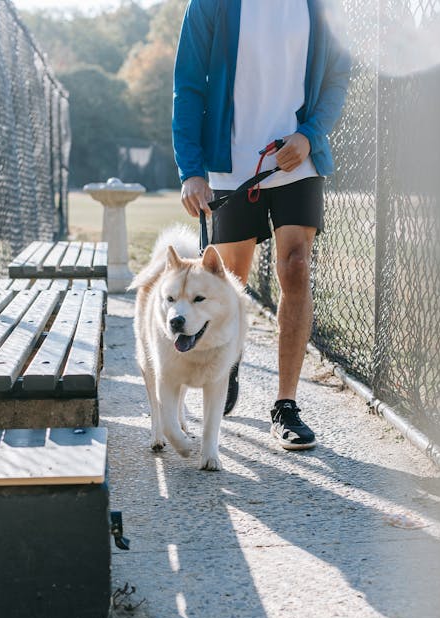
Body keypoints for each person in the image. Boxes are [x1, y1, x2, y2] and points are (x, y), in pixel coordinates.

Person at [172, 0, 351, 450]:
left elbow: (337, 76)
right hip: (231, 165)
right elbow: (188, 85)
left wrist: (310, 133)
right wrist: (192, 170)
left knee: (295, 267)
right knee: (231, 280)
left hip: (297, 160)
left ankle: (285, 405)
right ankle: (227, 363)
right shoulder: (210, 6)